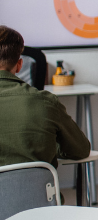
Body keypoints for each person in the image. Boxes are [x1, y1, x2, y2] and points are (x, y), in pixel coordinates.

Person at [0, 25, 90, 168]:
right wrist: (47, 145)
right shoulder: (46, 102)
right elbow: (81, 150)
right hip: (39, 190)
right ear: (19, 65)